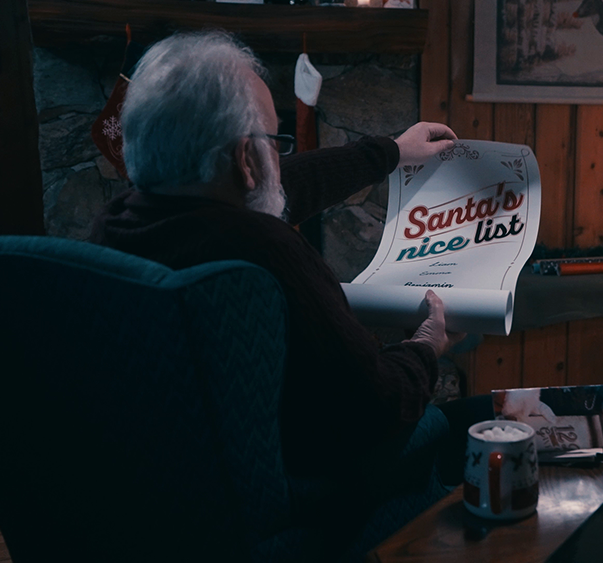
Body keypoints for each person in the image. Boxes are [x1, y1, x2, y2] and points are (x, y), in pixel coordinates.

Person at [89, 31, 471, 487]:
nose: (279, 156)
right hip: (307, 494)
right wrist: (426, 346)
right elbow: (381, 405)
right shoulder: (262, 248)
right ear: (246, 160)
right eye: (275, 140)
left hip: (177, 490)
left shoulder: (113, 227)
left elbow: (273, 185)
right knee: (466, 424)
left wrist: (390, 151)